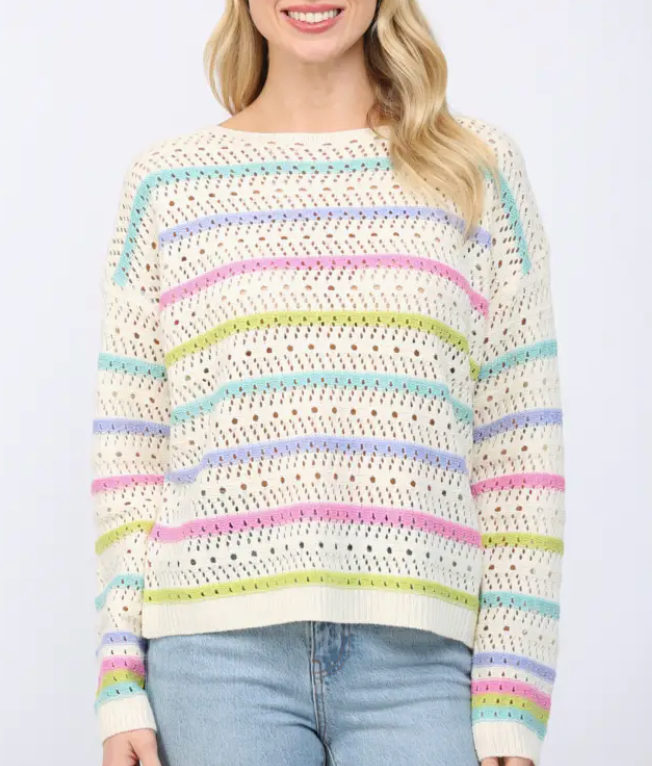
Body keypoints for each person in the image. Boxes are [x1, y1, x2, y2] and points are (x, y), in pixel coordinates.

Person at [90, 1, 566, 765]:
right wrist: (119, 678)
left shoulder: (476, 170)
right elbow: (132, 458)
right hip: (214, 662)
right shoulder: (168, 184)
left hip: (422, 663)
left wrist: (514, 689)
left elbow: (517, 450)